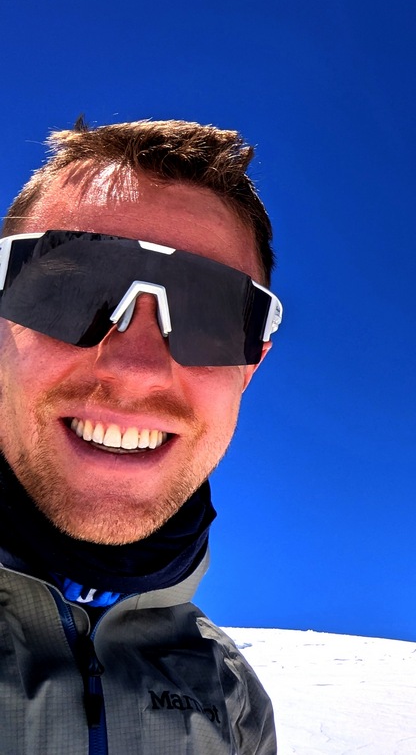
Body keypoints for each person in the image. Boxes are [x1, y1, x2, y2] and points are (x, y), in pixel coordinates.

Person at [0, 118, 281, 752]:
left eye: (210, 315)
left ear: (249, 368)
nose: (135, 368)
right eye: (71, 290)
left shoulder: (233, 700)